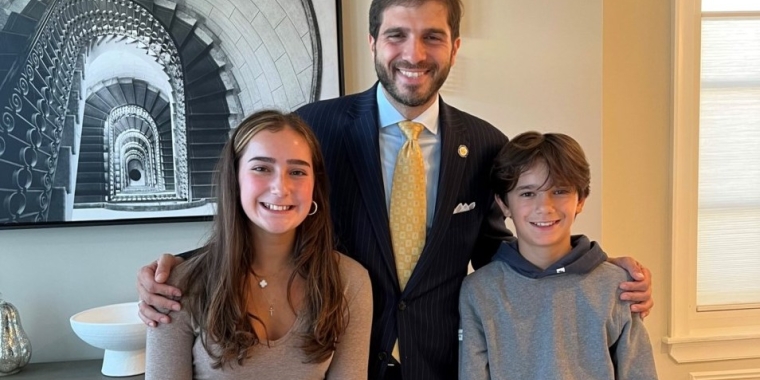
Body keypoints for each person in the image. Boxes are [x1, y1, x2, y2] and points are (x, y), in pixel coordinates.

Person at [138, 1, 654, 379]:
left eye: (432, 36)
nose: (414, 53)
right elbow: (267, 213)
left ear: (454, 46)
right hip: (337, 354)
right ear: (373, 43)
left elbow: (504, 251)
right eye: (397, 35)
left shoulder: (484, 144)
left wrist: (593, 268)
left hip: (443, 360)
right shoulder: (316, 129)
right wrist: (175, 272)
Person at [144, 110, 372, 380]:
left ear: (315, 187)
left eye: (297, 171)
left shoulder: (350, 281)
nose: (280, 187)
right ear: (235, 179)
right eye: (262, 168)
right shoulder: (174, 288)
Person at [459, 131, 658, 380]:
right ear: (503, 204)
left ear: (581, 199)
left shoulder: (619, 287)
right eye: (528, 193)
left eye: (560, 191)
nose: (545, 207)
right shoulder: (479, 291)